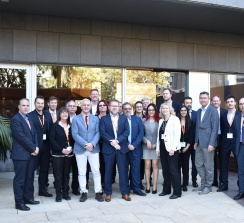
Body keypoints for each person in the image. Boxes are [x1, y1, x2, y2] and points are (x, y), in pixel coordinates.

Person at [72, 99, 104, 202]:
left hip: (93, 149)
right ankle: (83, 192)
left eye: (88, 105)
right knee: (81, 172)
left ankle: (98, 192)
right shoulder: (76, 119)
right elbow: (75, 134)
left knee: (96, 171)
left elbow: (98, 132)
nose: (86, 107)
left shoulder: (95, 119)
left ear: (90, 107)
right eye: (84, 105)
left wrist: (92, 144)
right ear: (81, 106)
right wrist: (86, 144)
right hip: (80, 149)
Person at [10, 98, 39, 211]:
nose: (26, 107)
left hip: (31, 154)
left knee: (29, 178)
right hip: (20, 155)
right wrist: (32, 148)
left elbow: (34, 133)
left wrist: (36, 147)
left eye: (27, 105)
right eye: (23, 105)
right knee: (20, 180)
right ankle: (19, 203)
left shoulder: (29, 118)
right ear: (19, 107)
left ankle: (28, 198)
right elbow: (21, 137)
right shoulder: (15, 120)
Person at [99, 99, 131, 202]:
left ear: (119, 107)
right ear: (109, 107)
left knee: (123, 171)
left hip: (121, 148)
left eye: (116, 106)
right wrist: (112, 142)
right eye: (112, 106)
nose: (114, 107)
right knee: (108, 171)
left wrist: (117, 141)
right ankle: (108, 193)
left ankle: (125, 193)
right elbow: (102, 132)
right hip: (108, 149)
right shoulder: (104, 119)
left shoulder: (123, 118)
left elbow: (127, 132)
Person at [194, 91, 219, 195]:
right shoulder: (199, 111)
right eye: (201, 98)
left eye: (205, 98)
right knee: (198, 163)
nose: (203, 100)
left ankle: (208, 187)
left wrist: (212, 143)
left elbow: (215, 129)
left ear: (208, 99)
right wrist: (195, 141)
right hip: (199, 142)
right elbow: (197, 127)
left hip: (208, 143)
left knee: (209, 166)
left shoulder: (213, 111)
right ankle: (203, 184)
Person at [28, 96, 53, 198]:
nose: (40, 105)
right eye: (38, 103)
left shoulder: (47, 114)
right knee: (31, 171)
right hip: (35, 147)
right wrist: (32, 147)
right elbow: (29, 133)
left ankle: (42, 190)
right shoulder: (30, 115)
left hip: (46, 147)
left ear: (44, 104)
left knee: (44, 169)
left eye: (42, 103)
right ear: (35, 104)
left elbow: (50, 130)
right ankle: (29, 193)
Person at [156, 103, 181, 199]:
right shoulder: (161, 120)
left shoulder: (175, 119)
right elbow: (159, 136)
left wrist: (173, 148)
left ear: (170, 109)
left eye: (166, 108)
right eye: (163, 108)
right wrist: (158, 149)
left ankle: (177, 192)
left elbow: (177, 135)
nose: (165, 110)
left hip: (171, 148)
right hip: (162, 148)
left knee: (173, 170)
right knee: (165, 170)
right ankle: (166, 190)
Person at [49, 107, 74, 202]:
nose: (64, 114)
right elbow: (52, 140)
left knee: (66, 174)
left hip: (69, 154)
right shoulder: (55, 126)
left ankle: (65, 193)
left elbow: (74, 139)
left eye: (66, 113)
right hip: (58, 155)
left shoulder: (71, 126)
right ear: (59, 115)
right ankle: (58, 194)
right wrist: (61, 149)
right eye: (63, 113)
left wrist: (71, 148)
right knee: (58, 175)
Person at [122, 102, 146, 196]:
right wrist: (127, 145)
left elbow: (141, 133)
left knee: (136, 170)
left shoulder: (137, 119)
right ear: (123, 110)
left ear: (132, 109)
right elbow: (119, 134)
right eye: (125, 109)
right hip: (124, 149)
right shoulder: (120, 120)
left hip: (136, 149)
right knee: (123, 170)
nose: (127, 110)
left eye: (129, 108)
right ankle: (126, 189)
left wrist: (134, 145)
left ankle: (136, 188)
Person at [218, 95, 240, 192]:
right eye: (228, 102)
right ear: (226, 104)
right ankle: (224, 184)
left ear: (235, 103)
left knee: (240, 164)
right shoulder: (223, 115)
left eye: (232, 101)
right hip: (225, 143)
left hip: (236, 143)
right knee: (223, 164)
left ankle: (241, 185)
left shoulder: (240, 115)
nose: (230, 103)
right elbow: (221, 129)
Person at [142, 103, 160, 194]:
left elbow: (161, 135)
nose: (151, 111)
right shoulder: (143, 121)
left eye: (153, 110)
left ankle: (155, 186)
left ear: (155, 111)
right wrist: (147, 141)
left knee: (155, 165)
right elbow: (141, 134)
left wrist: (156, 145)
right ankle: (148, 185)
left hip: (156, 147)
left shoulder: (160, 121)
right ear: (147, 111)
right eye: (149, 110)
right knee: (147, 165)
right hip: (146, 147)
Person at [182, 96, 198, 188]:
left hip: (195, 143)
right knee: (185, 163)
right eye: (187, 102)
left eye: (190, 102)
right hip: (185, 143)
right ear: (184, 104)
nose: (189, 104)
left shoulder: (196, 113)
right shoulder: (180, 115)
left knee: (195, 163)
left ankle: (194, 180)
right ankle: (185, 181)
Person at [211, 95, 226, 187]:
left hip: (223, 138)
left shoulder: (225, 112)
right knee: (213, 161)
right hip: (213, 138)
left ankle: (222, 181)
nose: (216, 102)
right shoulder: (210, 112)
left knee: (222, 160)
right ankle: (214, 180)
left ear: (220, 102)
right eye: (214, 101)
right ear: (212, 102)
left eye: (217, 101)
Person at [66, 99, 80, 196]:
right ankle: (65, 188)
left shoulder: (79, 118)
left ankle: (75, 188)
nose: (72, 108)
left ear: (76, 108)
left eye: (73, 106)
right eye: (70, 106)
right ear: (66, 108)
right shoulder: (63, 118)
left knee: (77, 170)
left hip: (78, 148)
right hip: (66, 149)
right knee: (66, 170)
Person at [178, 105, 193, 192]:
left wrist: (187, 147)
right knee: (177, 166)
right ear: (179, 112)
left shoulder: (190, 122)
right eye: (182, 110)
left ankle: (185, 184)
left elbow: (191, 137)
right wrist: (178, 147)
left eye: (185, 110)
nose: (183, 112)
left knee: (185, 167)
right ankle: (178, 183)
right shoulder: (176, 121)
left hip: (187, 147)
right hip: (177, 147)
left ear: (187, 112)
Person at [96, 100, 110, 189]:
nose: (102, 107)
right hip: (97, 144)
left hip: (108, 144)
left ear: (107, 106)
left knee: (106, 165)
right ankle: (99, 183)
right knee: (98, 165)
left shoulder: (110, 117)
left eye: (104, 105)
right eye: (100, 105)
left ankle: (106, 183)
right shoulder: (94, 117)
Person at [234, 97, 244, 200]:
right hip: (240, 146)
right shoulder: (237, 117)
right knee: (241, 171)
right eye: (240, 104)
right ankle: (241, 191)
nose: (242, 106)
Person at [134, 101, 145, 189]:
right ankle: (134, 181)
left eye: (140, 106)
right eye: (137, 107)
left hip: (144, 143)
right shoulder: (132, 117)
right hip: (135, 143)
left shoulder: (146, 117)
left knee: (142, 164)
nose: (139, 108)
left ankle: (140, 180)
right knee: (135, 164)